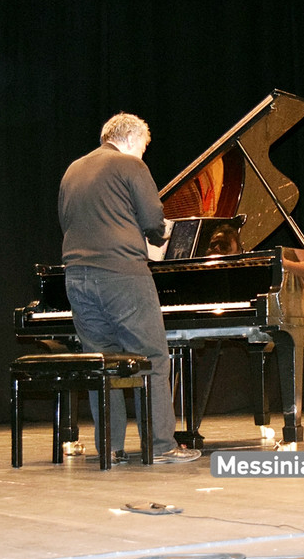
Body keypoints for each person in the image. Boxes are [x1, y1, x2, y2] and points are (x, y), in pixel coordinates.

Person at [58, 112, 201, 464]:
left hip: (76, 277)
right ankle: (161, 446)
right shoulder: (130, 165)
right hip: (121, 275)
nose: (143, 155)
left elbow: (66, 220)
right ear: (133, 139)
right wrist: (155, 237)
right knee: (152, 358)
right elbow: (153, 219)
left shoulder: (73, 170)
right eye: (144, 148)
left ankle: (110, 447)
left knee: (103, 361)